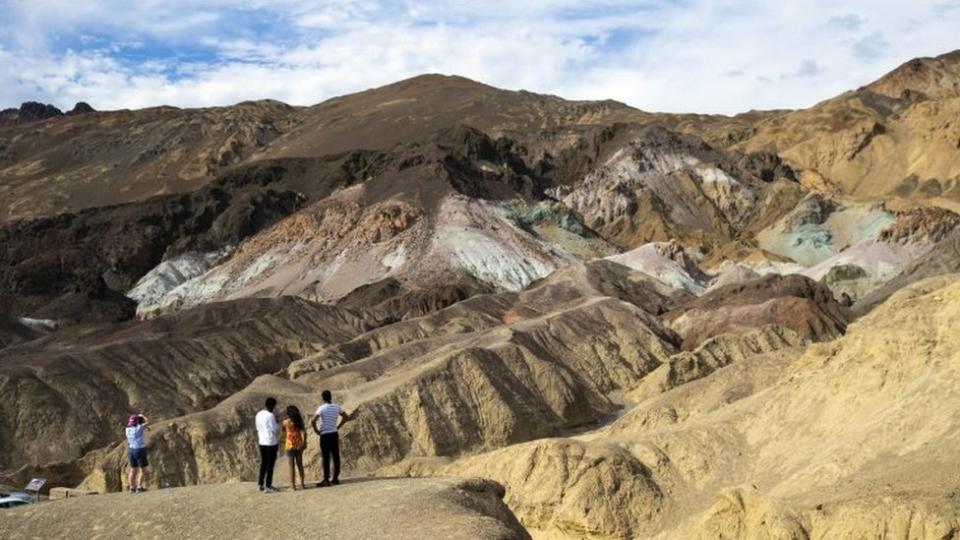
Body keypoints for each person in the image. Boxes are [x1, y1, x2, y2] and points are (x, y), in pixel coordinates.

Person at [311, 390, 354, 487]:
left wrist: (316, 430)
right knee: (336, 456)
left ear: (322, 398)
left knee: (326, 457)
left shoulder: (321, 408)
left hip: (325, 435)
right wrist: (338, 426)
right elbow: (346, 417)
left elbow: (313, 420)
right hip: (334, 433)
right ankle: (335, 478)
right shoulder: (336, 407)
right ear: (331, 397)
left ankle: (326, 479)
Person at [255, 397, 281, 492]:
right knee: (270, 465)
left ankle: (260, 484)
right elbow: (275, 429)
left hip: (262, 442)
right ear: (272, 406)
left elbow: (257, 428)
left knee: (264, 463)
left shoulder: (258, 414)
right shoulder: (270, 415)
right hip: (271, 442)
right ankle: (268, 485)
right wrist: (277, 423)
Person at [282, 405, 308, 491]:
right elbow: (304, 433)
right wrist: (304, 443)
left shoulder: (285, 422)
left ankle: (293, 486)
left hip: (289, 445)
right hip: (298, 445)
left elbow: (283, 430)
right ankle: (303, 484)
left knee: (291, 466)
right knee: (300, 465)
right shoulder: (299, 421)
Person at [124, 413, 150, 493]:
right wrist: (142, 416)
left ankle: (131, 487)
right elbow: (148, 422)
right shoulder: (139, 428)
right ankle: (139, 487)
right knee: (143, 470)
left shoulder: (127, 430)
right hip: (140, 450)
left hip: (131, 450)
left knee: (133, 470)